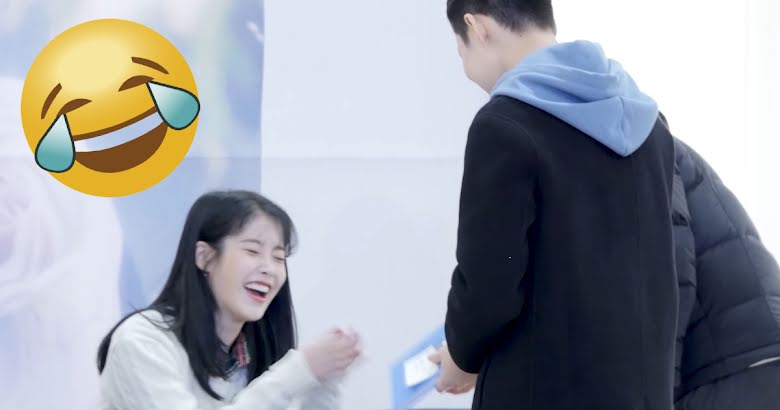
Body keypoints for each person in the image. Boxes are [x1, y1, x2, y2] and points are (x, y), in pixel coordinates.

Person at [429, 1, 678, 409]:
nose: (468, 72)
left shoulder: (504, 126)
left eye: (461, 52)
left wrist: (460, 355)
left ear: (477, 27)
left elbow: (489, 287)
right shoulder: (650, 125)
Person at [97, 190, 361, 409]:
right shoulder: (142, 342)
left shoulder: (253, 353)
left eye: (278, 257)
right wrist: (299, 371)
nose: (269, 268)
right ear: (205, 257)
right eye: (252, 251)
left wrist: (324, 379)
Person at [670, 134, 780, 410]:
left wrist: (658, 386)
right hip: (750, 364)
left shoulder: (648, 147)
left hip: (736, 370)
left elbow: (672, 275)